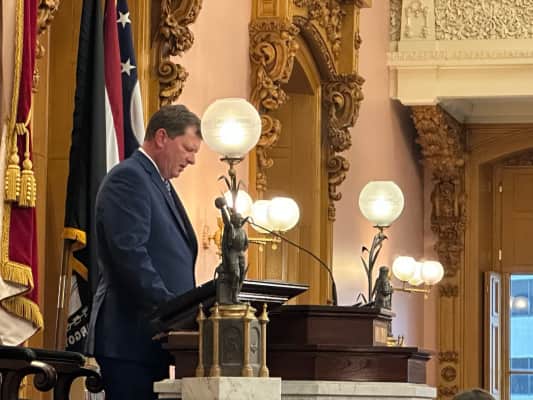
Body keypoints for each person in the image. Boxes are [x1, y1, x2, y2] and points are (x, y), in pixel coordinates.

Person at [86, 104, 202, 400]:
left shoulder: (159, 183)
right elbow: (130, 255)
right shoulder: (129, 178)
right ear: (162, 137)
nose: (192, 160)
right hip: (130, 339)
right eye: (188, 149)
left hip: (154, 339)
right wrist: (175, 311)